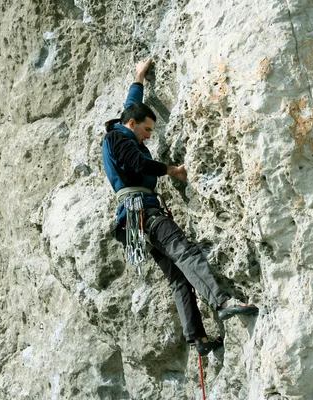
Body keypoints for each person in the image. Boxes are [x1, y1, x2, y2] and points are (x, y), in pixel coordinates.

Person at [102, 58, 258, 356]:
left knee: (177, 277)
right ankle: (222, 302)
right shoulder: (118, 138)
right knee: (184, 251)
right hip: (142, 210)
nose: (149, 136)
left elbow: (131, 105)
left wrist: (138, 77)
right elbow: (137, 161)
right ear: (132, 125)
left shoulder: (122, 128)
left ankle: (197, 339)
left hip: (133, 224)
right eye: (147, 130)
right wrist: (171, 170)